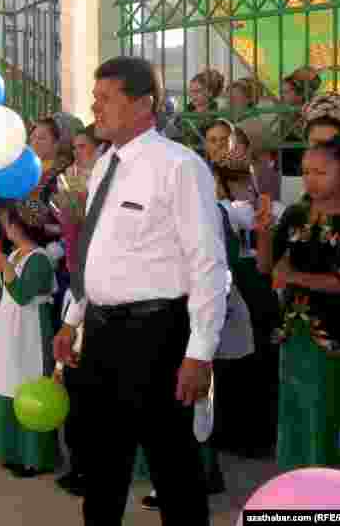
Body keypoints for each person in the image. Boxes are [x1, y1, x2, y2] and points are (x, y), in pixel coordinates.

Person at [53, 56, 228, 526]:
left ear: (143, 104)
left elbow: (208, 264)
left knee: (173, 466)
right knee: (102, 460)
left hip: (158, 335)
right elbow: (96, 253)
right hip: (103, 333)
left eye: (106, 99)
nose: (96, 108)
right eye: (95, 99)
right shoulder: (105, 164)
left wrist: (200, 352)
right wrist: (73, 320)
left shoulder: (179, 166)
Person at [255, 135, 340, 468]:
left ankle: (328, 489)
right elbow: (266, 267)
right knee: (294, 410)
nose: (311, 179)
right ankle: (294, 485)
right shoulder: (296, 214)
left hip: (332, 337)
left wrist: (292, 275)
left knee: (324, 410)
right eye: (306, 172)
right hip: (292, 332)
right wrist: (264, 234)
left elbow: (339, 283)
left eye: (320, 172)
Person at [0, 202, 58, 478]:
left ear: (21, 225)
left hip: (30, 330)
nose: (6, 229)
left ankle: (35, 456)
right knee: (8, 382)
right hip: (10, 328)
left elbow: (23, 294)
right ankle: (11, 450)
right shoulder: (16, 253)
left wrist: (5, 267)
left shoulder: (38, 258)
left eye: (9, 223)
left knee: (28, 383)